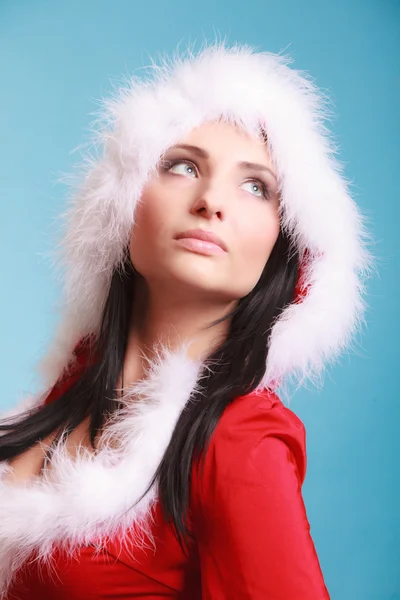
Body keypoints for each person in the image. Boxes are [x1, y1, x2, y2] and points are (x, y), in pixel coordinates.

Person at [0, 42, 374, 599]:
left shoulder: (238, 439)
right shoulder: (74, 382)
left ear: (283, 245)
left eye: (256, 187)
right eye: (182, 165)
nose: (211, 201)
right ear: (123, 204)